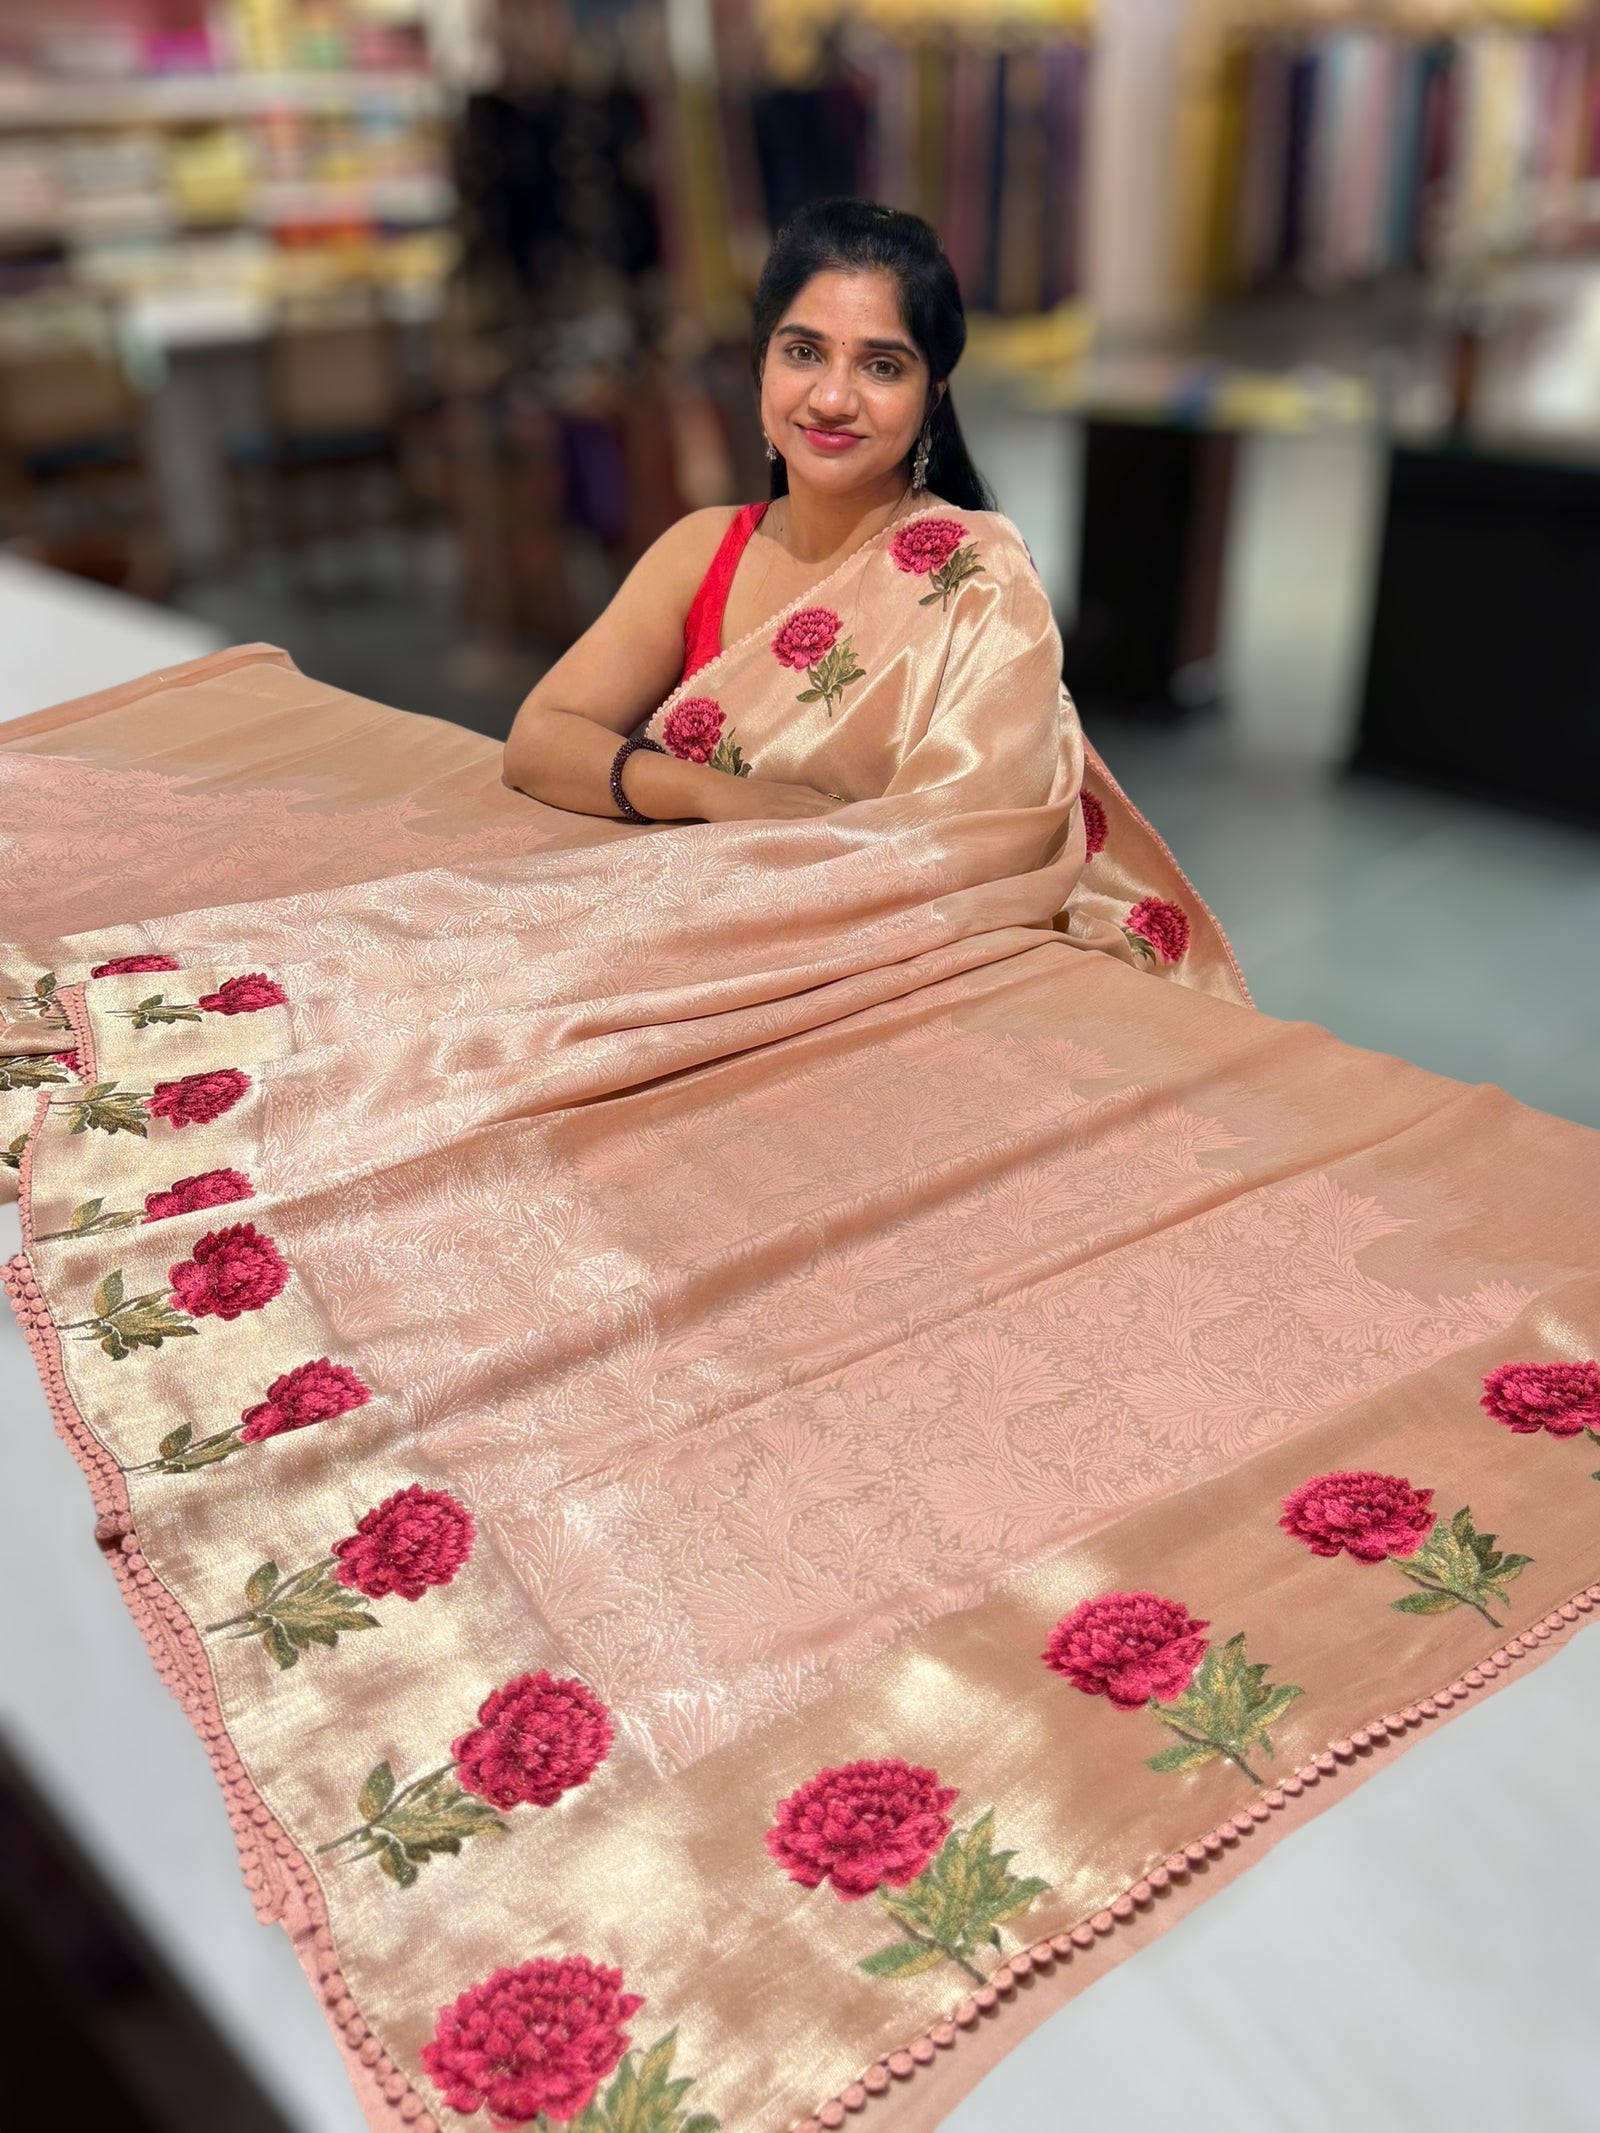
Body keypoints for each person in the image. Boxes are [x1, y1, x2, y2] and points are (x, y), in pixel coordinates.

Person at [4, 202, 1596, 2133]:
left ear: (933, 394)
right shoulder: (709, 549)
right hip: (728, 910)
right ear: (757, 365)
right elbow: (542, 741)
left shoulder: (973, 582)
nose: (831, 391)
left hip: (905, 946)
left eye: (881, 358)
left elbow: (981, 836)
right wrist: (717, 807)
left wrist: (757, 859)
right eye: (802, 350)